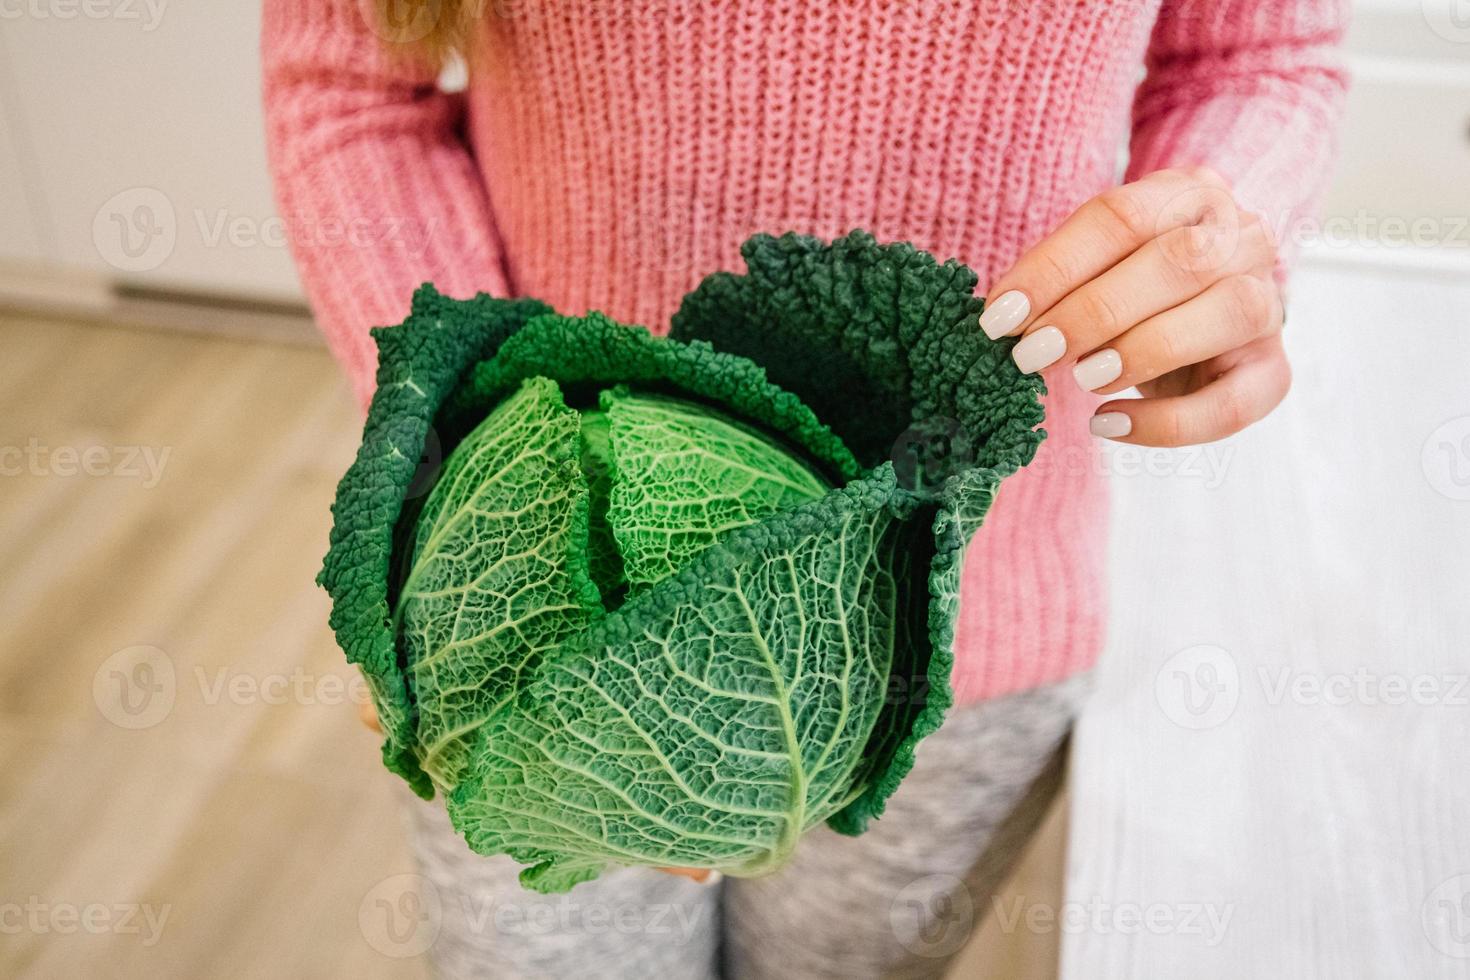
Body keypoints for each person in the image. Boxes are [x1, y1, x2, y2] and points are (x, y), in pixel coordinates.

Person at [263, 1, 1347, 975]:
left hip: (969, 611)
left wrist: (1211, 240)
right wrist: (458, 465)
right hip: (537, 624)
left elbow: (1259, 52)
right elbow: (353, 94)